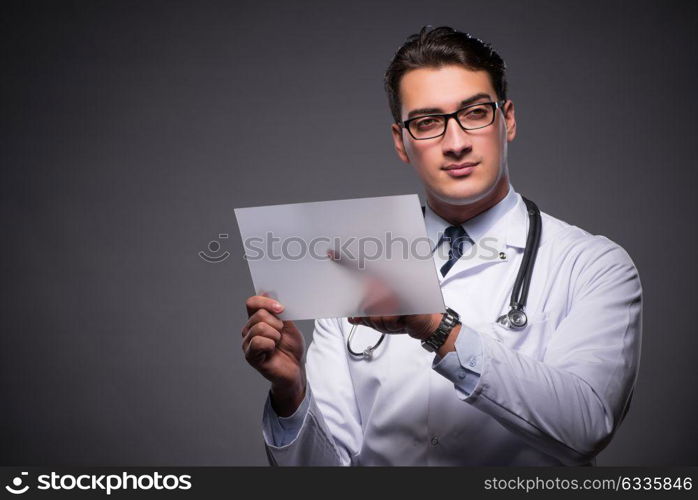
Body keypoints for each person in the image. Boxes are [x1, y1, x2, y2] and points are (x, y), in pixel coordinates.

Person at [240, 26, 642, 466]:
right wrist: (292, 392)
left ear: (507, 119)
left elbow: (588, 424)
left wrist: (437, 328)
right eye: (428, 122)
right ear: (401, 142)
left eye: (474, 113)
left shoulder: (593, 264)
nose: (456, 143)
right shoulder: (354, 265)